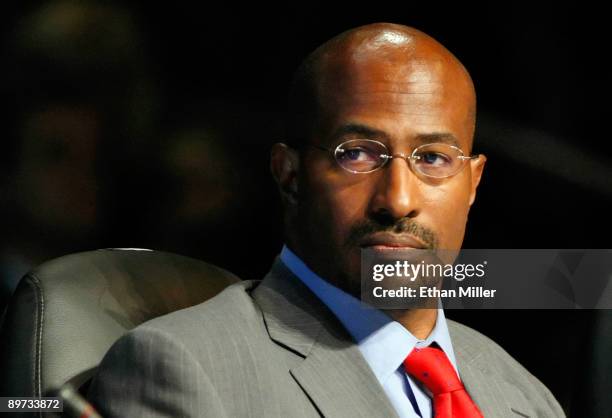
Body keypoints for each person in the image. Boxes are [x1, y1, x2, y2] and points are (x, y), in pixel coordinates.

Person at [88, 23, 565, 417]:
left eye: (434, 159)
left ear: (473, 182)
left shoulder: (525, 396)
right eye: (357, 154)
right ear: (290, 174)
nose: (397, 201)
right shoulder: (183, 368)